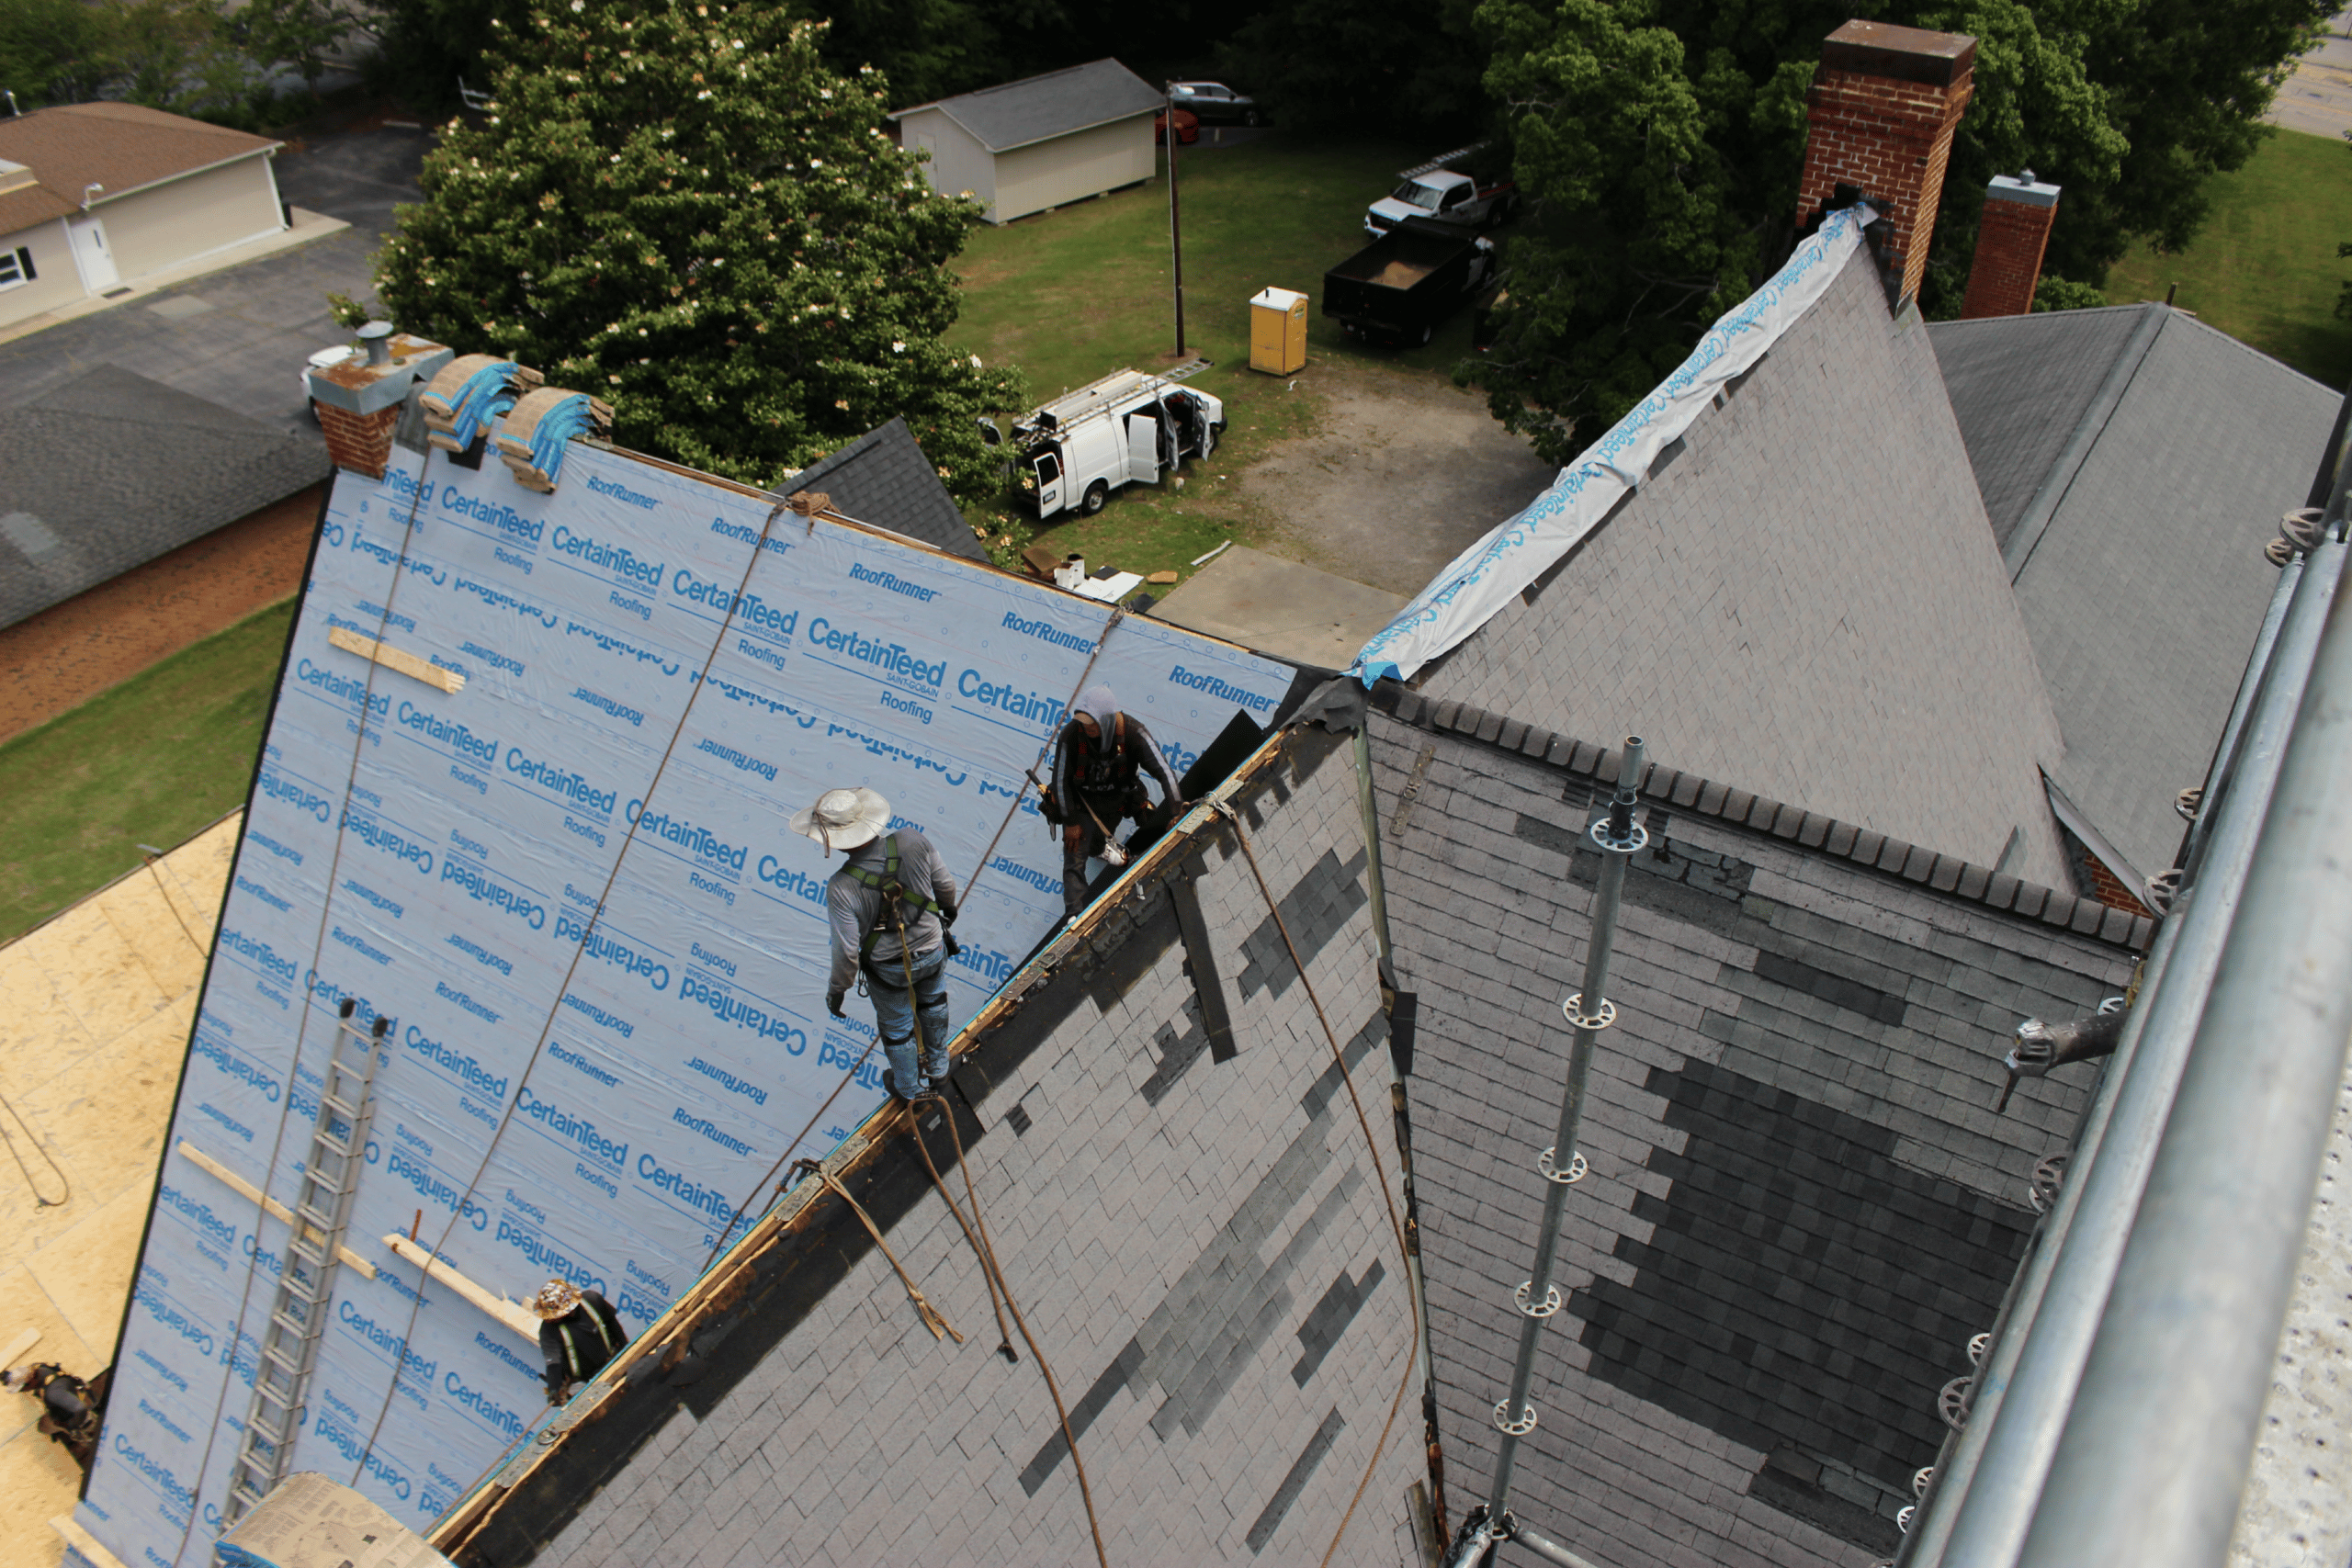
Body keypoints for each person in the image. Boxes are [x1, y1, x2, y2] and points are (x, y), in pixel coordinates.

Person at [794, 786, 960, 1102]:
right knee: (934, 1003)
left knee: (898, 1029)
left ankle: (911, 1091)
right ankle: (940, 1069)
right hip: (931, 949)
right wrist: (948, 911)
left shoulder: (841, 887)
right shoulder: (912, 840)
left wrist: (837, 991)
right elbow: (945, 887)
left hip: (888, 971)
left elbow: (846, 953)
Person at [1048, 685, 1185, 918]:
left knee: (1157, 824)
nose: (1087, 728)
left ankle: (1174, 861)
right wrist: (1070, 821)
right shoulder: (1071, 736)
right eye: (1083, 723)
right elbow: (1060, 781)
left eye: (1093, 724)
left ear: (1107, 721)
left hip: (1122, 796)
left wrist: (1178, 809)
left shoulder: (1133, 733)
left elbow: (1164, 771)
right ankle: (1074, 917)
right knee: (1075, 856)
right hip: (1085, 804)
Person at [532, 1280, 627, 1404]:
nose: (548, 1319)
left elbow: (613, 1325)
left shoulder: (592, 1300)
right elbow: (554, 1363)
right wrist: (554, 1390)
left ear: (567, 1309)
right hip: (585, 1382)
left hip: (614, 1361)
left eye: (552, 1314)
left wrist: (627, 1351)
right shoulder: (548, 1330)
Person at [5, 1360, 108, 1471]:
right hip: (77, 1395)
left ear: (30, 1382)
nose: (24, 1391)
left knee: (98, 1443)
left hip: (83, 1416)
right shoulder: (41, 1370)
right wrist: (9, 1378)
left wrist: (72, 1428)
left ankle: (102, 1451)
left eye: (22, 1389)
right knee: (46, 1424)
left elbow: (80, 1408)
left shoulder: (52, 1393)